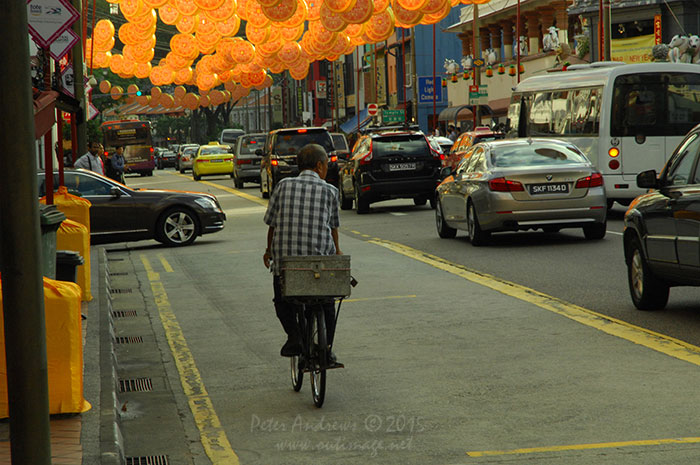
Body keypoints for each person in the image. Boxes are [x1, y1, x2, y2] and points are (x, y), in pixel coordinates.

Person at [263, 144, 342, 359]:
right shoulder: (330, 191)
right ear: (319, 166)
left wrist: (268, 251)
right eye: (326, 164)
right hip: (319, 264)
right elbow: (333, 228)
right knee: (326, 304)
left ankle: (294, 336)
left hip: (287, 264)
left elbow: (272, 224)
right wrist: (337, 253)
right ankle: (326, 350)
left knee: (282, 301)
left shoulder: (282, 186)